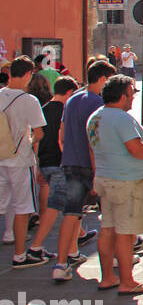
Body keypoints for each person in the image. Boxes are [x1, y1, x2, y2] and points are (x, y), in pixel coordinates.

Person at [87, 75, 143, 295]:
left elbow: (92, 150)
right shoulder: (121, 118)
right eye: (132, 93)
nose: (133, 98)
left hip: (105, 178)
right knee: (126, 234)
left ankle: (107, 276)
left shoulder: (95, 118)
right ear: (123, 95)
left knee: (107, 229)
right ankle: (127, 281)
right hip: (126, 180)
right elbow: (135, 149)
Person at [50, 60, 116, 276]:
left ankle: (61, 263)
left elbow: (61, 134)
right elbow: (94, 141)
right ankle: (116, 256)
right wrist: (98, 172)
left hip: (70, 161)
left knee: (71, 213)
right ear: (103, 79)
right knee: (109, 213)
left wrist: (68, 154)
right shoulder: (98, 102)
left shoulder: (73, 99)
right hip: (91, 165)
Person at [29, 78, 87, 278]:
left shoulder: (43, 108)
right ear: (70, 92)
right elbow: (62, 139)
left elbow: (37, 137)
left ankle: (74, 247)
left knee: (70, 207)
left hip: (45, 162)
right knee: (61, 209)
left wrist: (38, 165)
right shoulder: (66, 110)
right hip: (60, 163)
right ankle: (38, 247)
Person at [0, 57, 50, 267]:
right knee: (23, 207)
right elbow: (39, 133)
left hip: (0, 157)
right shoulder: (29, 101)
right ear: (29, 75)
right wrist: (30, 140)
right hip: (20, 159)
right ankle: (20, 255)